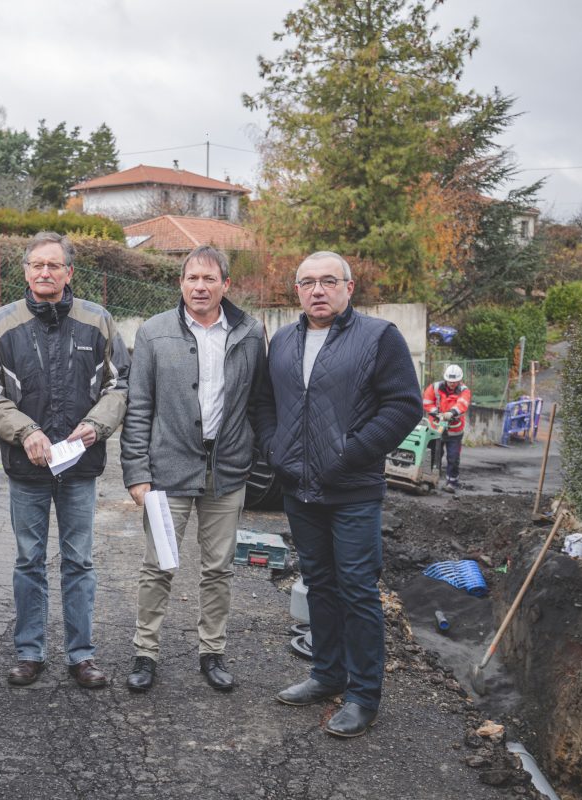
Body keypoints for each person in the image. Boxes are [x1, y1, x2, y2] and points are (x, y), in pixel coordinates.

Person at [255, 251, 422, 737]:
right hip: (299, 489)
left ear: (350, 287)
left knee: (357, 589)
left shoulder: (378, 337)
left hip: (352, 490)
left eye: (329, 281)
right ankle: (327, 674)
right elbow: (267, 404)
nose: (318, 290)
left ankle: (363, 695)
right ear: (297, 291)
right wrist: (275, 448)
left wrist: (351, 453)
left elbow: (403, 405)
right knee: (318, 584)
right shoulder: (284, 340)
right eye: (307, 282)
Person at [0, 231, 130, 689]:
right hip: (27, 469)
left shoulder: (98, 321)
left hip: (80, 467)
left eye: (54, 266)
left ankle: (82, 655)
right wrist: (27, 432)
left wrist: (96, 426)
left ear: (69, 272)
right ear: (25, 271)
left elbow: (121, 385)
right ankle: (29, 652)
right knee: (29, 560)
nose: (45, 272)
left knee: (79, 560)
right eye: (37, 265)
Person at [120, 246, 267, 693]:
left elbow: (259, 403)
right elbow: (138, 405)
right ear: (180, 283)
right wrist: (136, 472)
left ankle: (212, 652)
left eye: (209, 279)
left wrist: (253, 460)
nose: (199, 287)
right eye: (191, 278)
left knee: (219, 567)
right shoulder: (153, 332)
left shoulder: (250, 332)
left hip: (226, 472)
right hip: (167, 471)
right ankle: (145, 653)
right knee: (158, 566)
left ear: (226, 284)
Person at [423, 364, 472, 490]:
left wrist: (451, 413)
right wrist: (437, 414)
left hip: (454, 431)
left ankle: (452, 482)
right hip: (436, 428)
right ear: (446, 379)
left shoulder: (464, 391)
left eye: (454, 382)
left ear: (459, 380)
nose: (451, 384)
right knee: (433, 455)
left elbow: (462, 404)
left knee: (453, 457)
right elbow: (427, 402)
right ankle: (430, 480)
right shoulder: (434, 387)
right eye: (450, 381)